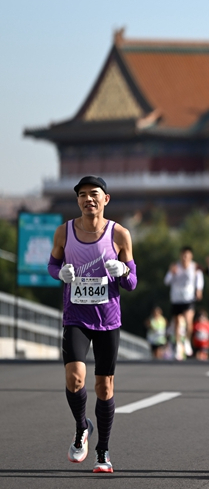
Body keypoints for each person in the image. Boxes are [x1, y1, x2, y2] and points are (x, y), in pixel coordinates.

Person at [48, 175, 138, 473]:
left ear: (105, 199)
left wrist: (123, 270)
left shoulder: (120, 234)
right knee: (74, 379)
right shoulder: (64, 232)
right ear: (78, 201)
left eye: (94, 194)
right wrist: (59, 273)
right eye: (82, 195)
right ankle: (81, 426)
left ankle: (103, 451)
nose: (88, 199)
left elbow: (133, 283)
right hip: (75, 316)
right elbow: (52, 264)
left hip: (107, 320)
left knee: (104, 387)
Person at [164, 246, 204, 360]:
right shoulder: (175, 266)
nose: (185, 257)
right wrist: (171, 273)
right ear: (180, 255)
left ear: (191, 256)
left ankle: (186, 340)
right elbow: (166, 281)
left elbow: (199, 279)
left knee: (188, 321)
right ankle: (177, 346)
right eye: (183, 255)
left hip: (188, 297)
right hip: (176, 298)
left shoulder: (194, 267)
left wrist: (199, 290)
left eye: (187, 255)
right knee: (177, 322)